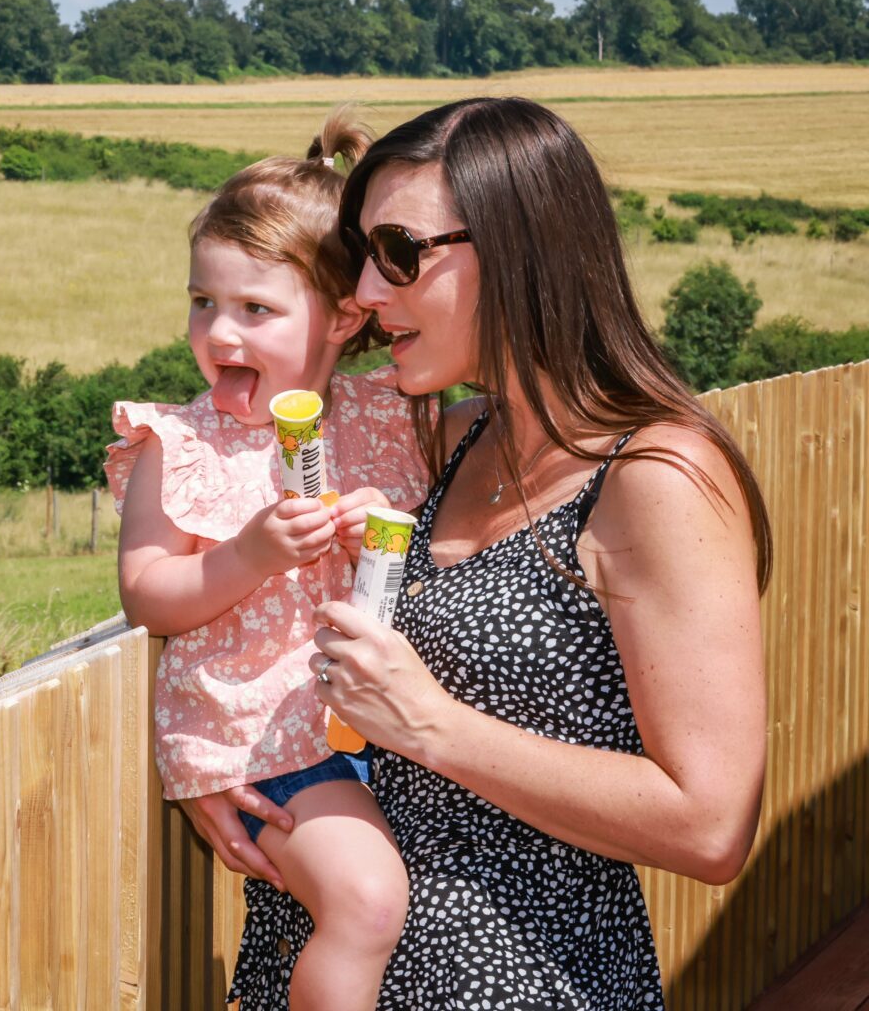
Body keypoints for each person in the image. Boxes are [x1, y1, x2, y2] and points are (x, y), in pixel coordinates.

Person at [229, 96, 771, 1008]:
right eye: (362, 257)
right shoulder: (458, 433)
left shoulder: (659, 476)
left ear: (522, 250)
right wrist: (224, 780)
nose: (364, 292)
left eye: (398, 254)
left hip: (520, 985)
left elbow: (711, 825)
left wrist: (431, 725)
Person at [106, 110, 432, 1009]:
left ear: (343, 318)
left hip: (377, 723)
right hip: (258, 739)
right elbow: (147, 595)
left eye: (257, 309)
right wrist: (248, 552)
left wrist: (386, 535)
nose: (221, 333)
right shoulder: (177, 443)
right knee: (367, 903)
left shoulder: (386, 418)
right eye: (203, 301)